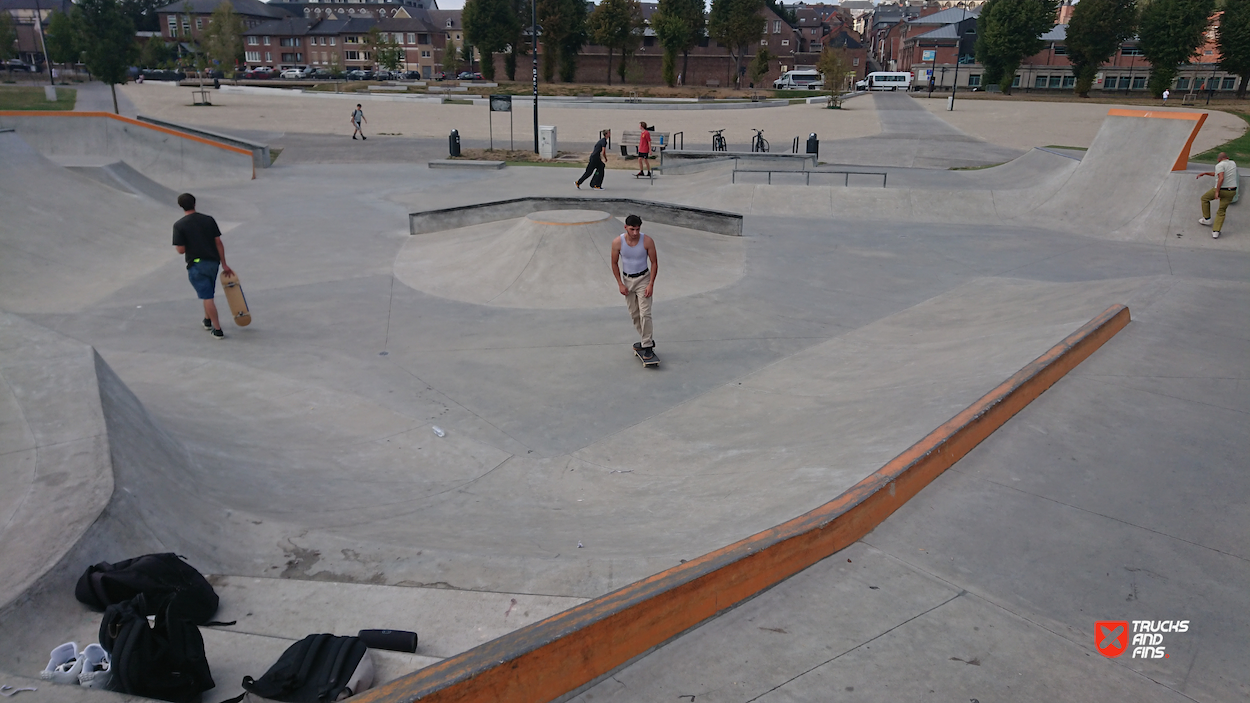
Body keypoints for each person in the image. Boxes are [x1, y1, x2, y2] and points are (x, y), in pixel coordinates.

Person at [172, 193, 234, 339]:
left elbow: (181, 250)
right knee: (208, 293)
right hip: (213, 263)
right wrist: (224, 264)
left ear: (181, 206)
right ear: (195, 203)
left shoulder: (179, 225)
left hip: (196, 265)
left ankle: (217, 329)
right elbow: (218, 242)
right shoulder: (208, 220)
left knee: (207, 297)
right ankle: (207, 320)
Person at [610, 214, 658, 361]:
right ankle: (645, 339)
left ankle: (647, 344)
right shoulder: (618, 242)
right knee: (634, 313)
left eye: (638, 229)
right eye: (632, 229)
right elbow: (614, 263)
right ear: (626, 228)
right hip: (627, 280)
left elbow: (654, 263)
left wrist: (651, 284)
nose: (636, 233)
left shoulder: (647, 241)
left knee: (645, 313)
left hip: (643, 278)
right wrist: (620, 283)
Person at [1197, 152, 1239, 239]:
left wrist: (1217, 191)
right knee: (1222, 211)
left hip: (1222, 189)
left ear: (1218, 160)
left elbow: (1221, 177)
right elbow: (1217, 174)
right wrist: (1205, 173)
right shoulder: (1233, 163)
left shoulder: (1219, 165)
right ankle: (1216, 231)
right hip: (1231, 191)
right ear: (1227, 157)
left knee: (1204, 198)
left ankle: (1207, 219)